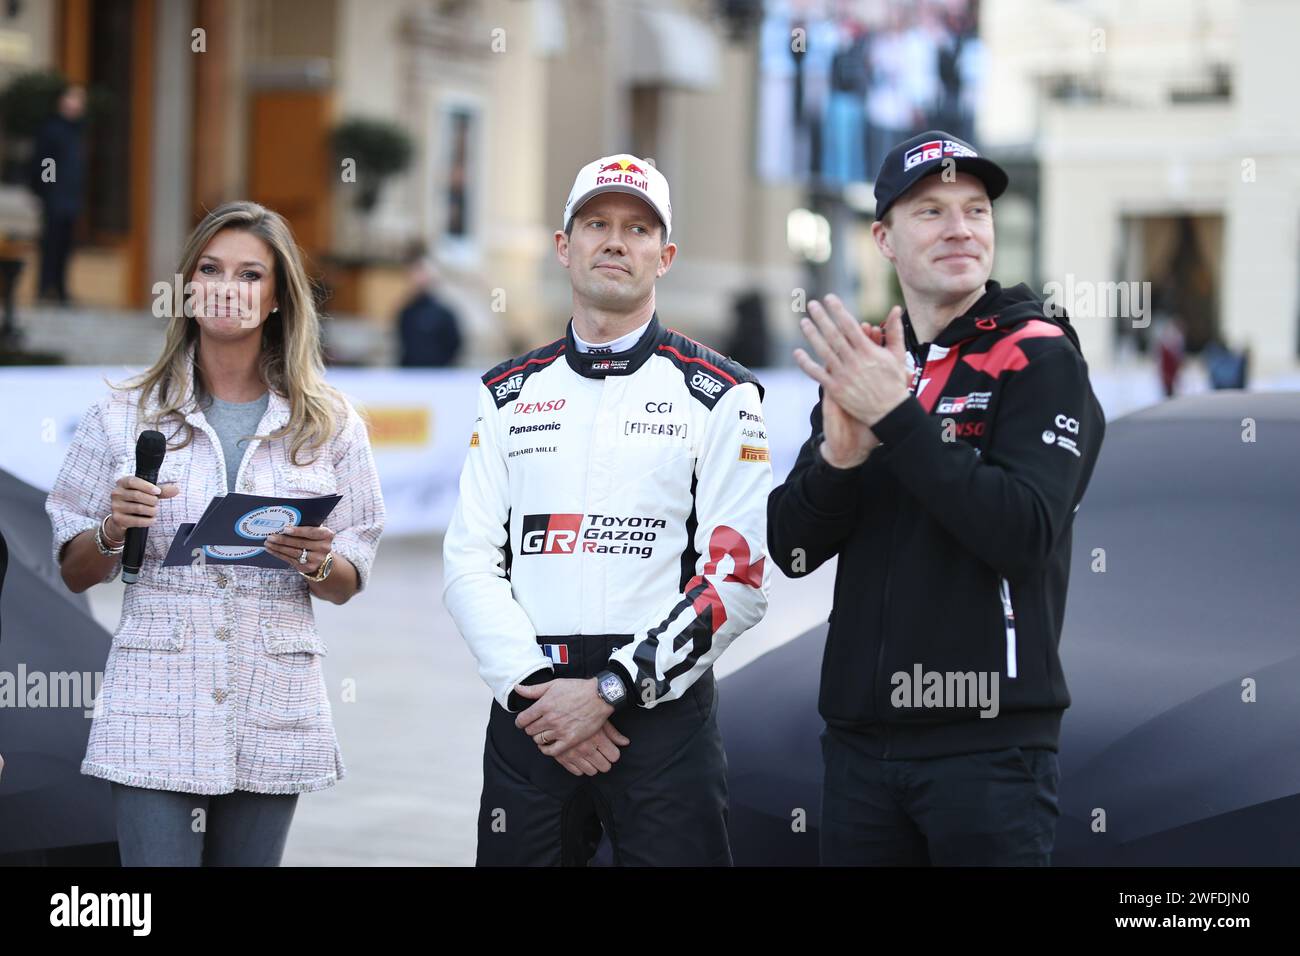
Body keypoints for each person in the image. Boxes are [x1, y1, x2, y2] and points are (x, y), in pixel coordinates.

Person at [768, 130, 1105, 866]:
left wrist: (898, 420)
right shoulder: (875, 362)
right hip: (860, 747)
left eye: (975, 210)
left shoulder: (1039, 355)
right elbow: (791, 550)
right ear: (884, 238)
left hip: (988, 748)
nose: (960, 227)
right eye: (931, 211)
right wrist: (840, 460)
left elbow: (1022, 532)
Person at [443, 154, 772, 866]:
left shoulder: (720, 393)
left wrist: (613, 688)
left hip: (662, 718)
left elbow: (738, 582)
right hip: (531, 714)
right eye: (597, 223)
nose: (616, 241)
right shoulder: (506, 392)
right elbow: (468, 559)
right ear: (564, 247)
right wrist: (537, 691)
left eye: (638, 227)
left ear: (666, 256)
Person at [45, 200, 386, 866]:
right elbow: (71, 565)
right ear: (187, 287)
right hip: (154, 699)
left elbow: (350, 575)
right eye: (211, 269)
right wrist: (114, 527)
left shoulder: (331, 424)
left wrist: (318, 562)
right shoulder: (121, 413)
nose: (229, 288)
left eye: (251, 274)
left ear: (279, 297)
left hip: (274, 699)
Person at [30, 83, 86, 305]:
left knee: (65, 245)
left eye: (80, 100)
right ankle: (45, 289)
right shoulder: (52, 129)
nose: (76, 104)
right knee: (50, 244)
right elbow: (45, 163)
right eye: (73, 98)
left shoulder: (77, 131)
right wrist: (48, 191)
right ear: (62, 101)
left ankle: (61, 289)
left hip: (71, 197)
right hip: (55, 198)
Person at [396, 247, 462, 367]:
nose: (417, 277)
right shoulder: (407, 312)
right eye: (413, 272)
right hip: (411, 374)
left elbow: (454, 344)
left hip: (436, 375)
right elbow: (404, 343)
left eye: (421, 271)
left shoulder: (444, 313)